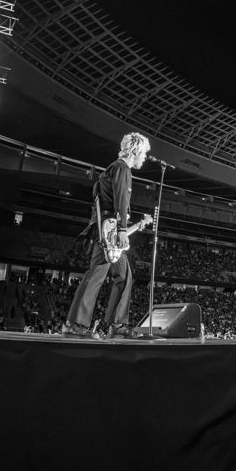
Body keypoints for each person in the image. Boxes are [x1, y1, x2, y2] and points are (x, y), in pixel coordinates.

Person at [63, 132, 150, 338]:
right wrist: (121, 229)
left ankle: (117, 324)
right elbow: (120, 199)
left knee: (124, 276)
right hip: (110, 231)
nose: (145, 157)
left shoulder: (113, 169)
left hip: (107, 229)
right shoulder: (122, 168)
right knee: (96, 275)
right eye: (144, 153)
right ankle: (75, 323)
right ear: (135, 150)